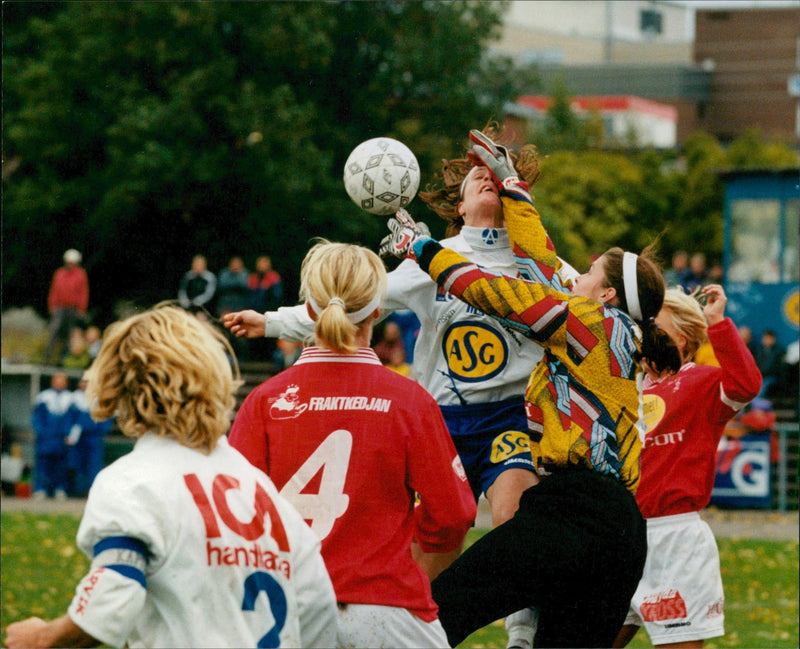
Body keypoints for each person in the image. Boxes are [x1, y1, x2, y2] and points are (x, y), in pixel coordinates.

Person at [223, 126, 576, 646]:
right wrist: (273, 322)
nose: (485, 178)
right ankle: (412, 620)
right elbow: (355, 301)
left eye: (495, 175)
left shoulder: (544, 265)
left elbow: (595, 312)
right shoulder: (432, 257)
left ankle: (522, 633)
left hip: (509, 415)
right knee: (426, 560)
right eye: (473, 176)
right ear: (456, 203)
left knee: (514, 516)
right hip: (440, 417)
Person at [381, 128, 678, 649]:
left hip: (571, 511)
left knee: (436, 616)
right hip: (624, 533)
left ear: (606, 293)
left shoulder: (585, 319)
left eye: (587, 272)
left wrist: (422, 247)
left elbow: (494, 292)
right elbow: (540, 259)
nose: (574, 275)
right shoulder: (618, 330)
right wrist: (514, 188)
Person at [4, 304, 337, 649]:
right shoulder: (261, 489)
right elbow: (318, 608)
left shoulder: (132, 481)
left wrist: (43, 637)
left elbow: (113, 597)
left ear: (121, 382)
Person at [228, 240, 476, 648]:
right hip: (389, 612)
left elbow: (235, 515)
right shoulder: (410, 400)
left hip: (285, 610)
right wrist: (410, 560)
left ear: (308, 310)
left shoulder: (265, 400)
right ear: (378, 310)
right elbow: (453, 514)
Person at [614, 285, 761, 648]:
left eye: (655, 327)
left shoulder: (702, 383)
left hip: (674, 542)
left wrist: (718, 323)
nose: (645, 335)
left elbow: (745, 385)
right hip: (620, 540)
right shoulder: (624, 388)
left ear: (681, 338)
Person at [66, 376, 114, 497]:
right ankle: (79, 491)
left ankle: (93, 491)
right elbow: (68, 418)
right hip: (77, 437)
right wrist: (68, 433)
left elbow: (107, 417)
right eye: (83, 382)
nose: (85, 385)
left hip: (94, 436)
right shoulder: (73, 399)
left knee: (94, 464)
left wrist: (101, 429)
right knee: (78, 464)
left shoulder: (99, 399)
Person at [30, 371, 73, 500]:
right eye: (57, 380)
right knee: (43, 464)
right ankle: (41, 489)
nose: (59, 383)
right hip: (46, 438)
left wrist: (69, 434)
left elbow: (73, 419)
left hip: (62, 438)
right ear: (52, 381)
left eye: (62, 380)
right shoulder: (43, 397)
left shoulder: (70, 398)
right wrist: (41, 432)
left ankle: (60, 489)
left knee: (61, 466)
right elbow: (37, 418)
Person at [43, 249, 89, 365]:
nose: (70, 264)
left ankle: (64, 360)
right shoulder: (59, 273)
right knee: (54, 331)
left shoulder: (80, 274)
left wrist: (81, 308)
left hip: (72, 309)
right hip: (59, 308)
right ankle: (47, 359)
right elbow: (54, 290)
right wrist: (52, 305)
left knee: (70, 335)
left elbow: (83, 292)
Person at [752, 329, 785, 398]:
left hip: (770, 377)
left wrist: (761, 374)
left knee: (764, 384)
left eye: (770, 338)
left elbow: (774, 367)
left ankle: (755, 402)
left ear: (773, 339)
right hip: (757, 376)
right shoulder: (757, 350)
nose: (767, 340)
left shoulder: (778, 351)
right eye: (766, 338)